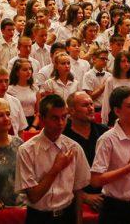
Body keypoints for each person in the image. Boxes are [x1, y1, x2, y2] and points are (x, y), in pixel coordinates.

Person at [17, 93, 91, 224]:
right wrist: (56, 169)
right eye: (55, 118)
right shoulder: (27, 150)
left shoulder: (74, 148)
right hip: (39, 217)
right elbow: (34, 196)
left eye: (64, 117)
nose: (61, 123)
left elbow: (78, 191)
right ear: (42, 119)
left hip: (67, 214)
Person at [90, 87, 130, 223]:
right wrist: (129, 167)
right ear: (117, 111)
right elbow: (95, 180)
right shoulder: (107, 139)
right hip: (115, 209)